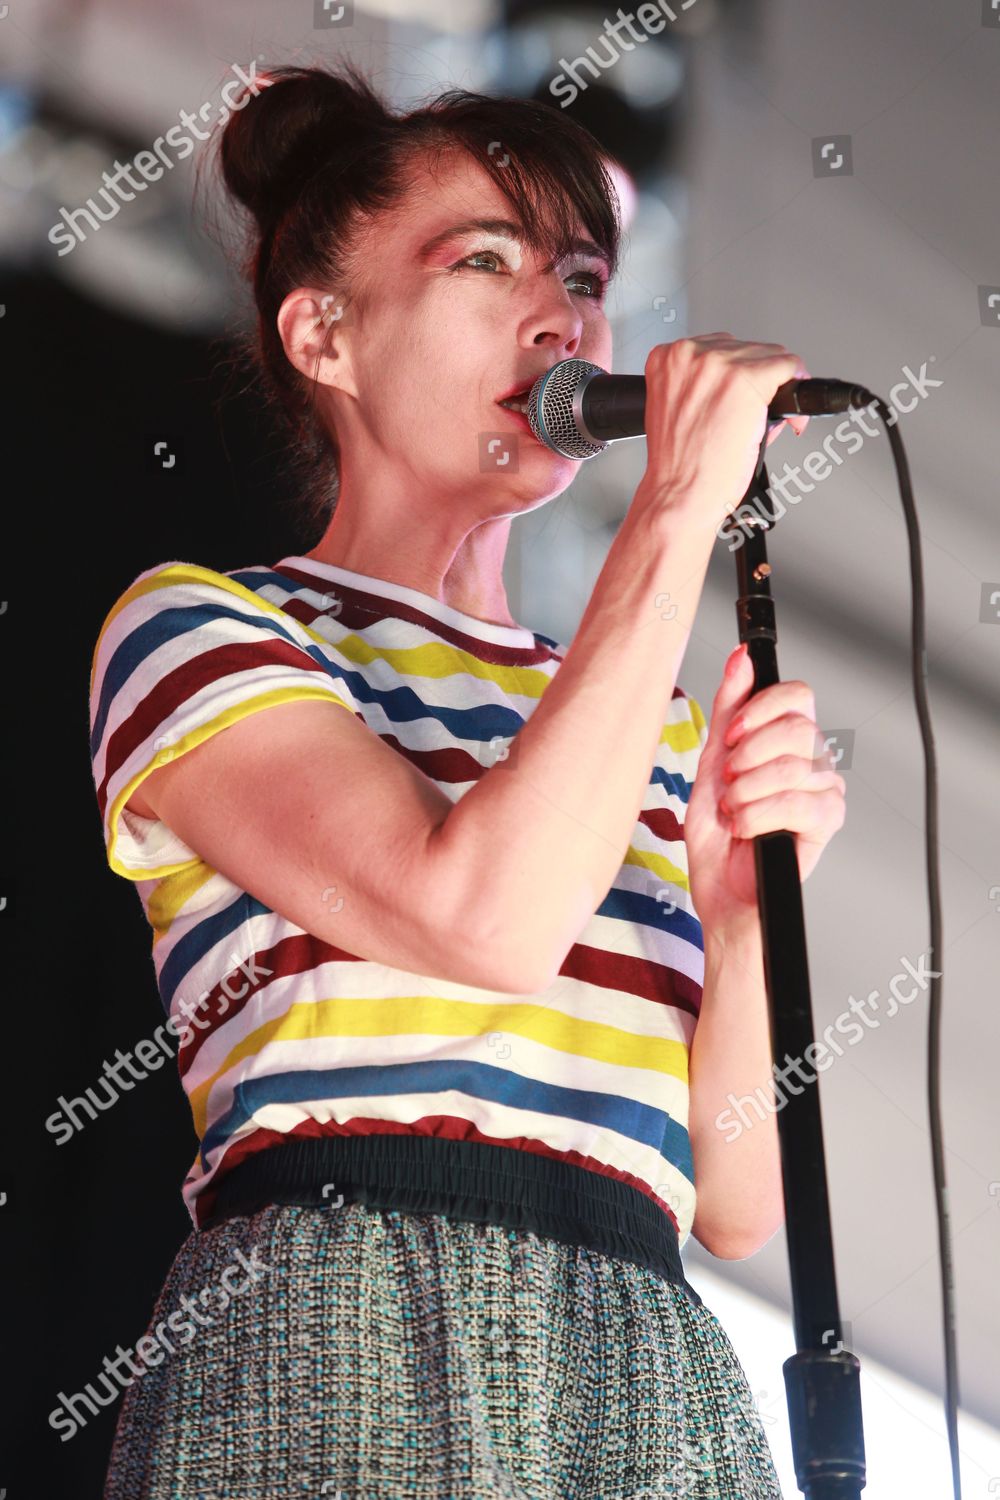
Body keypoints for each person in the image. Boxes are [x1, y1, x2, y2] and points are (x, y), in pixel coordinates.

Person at [88, 60, 845, 1500]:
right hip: (337, 1300)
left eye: (578, 274)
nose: (558, 314)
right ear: (326, 333)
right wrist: (678, 509)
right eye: (482, 262)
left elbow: (734, 1199)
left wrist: (739, 923)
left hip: (639, 1341)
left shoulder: (634, 715)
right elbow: (476, 918)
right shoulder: (204, 626)